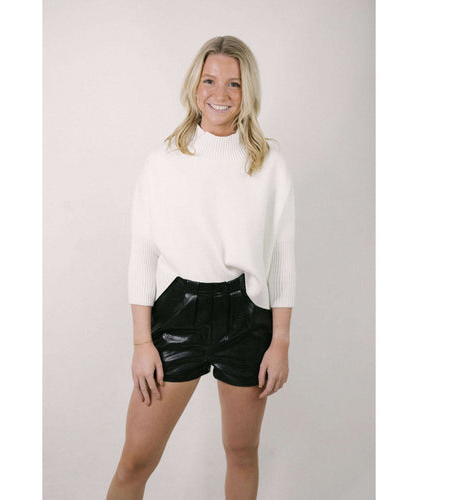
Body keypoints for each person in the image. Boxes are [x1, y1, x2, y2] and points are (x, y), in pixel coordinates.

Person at [106, 35, 296, 500]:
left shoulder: (269, 164)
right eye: (210, 81)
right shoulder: (163, 162)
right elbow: (143, 253)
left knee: (242, 452)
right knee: (135, 462)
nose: (220, 94)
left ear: (248, 92)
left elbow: (281, 256)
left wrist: (280, 342)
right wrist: (141, 343)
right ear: (195, 86)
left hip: (246, 316)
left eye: (234, 84)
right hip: (179, 314)